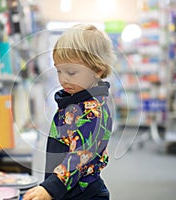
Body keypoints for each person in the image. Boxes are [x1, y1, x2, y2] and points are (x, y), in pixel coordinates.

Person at [23, 24, 115, 200]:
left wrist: (50, 188)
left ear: (97, 70)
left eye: (71, 72)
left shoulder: (94, 112)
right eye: (59, 71)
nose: (63, 79)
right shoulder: (73, 100)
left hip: (84, 194)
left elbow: (80, 155)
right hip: (68, 190)